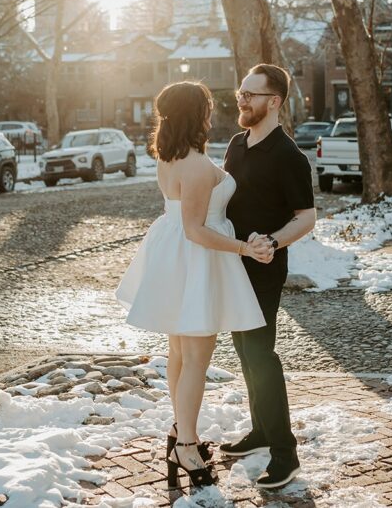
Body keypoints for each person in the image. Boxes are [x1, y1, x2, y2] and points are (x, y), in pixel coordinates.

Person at [115, 80, 275, 490]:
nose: (212, 111)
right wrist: (243, 248)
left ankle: (180, 432)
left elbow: (181, 221)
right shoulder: (198, 165)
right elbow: (195, 230)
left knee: (179, 354)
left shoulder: (168, 157)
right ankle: (186, 442)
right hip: (196, 258)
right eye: (207, 106)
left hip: (172, 258)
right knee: (196, 360)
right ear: (197, 114)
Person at [219, 64, 317, 489]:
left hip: (262, 269)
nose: (241, 100)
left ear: (273, 101)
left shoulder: (289, 156)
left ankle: (285, 453)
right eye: (240, 93)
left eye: (250, 95)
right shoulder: (237, 144)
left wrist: (273, 242)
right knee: (244, 352)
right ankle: (260, 431)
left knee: (261, 356)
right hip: (230, 264)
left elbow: (307, 218)